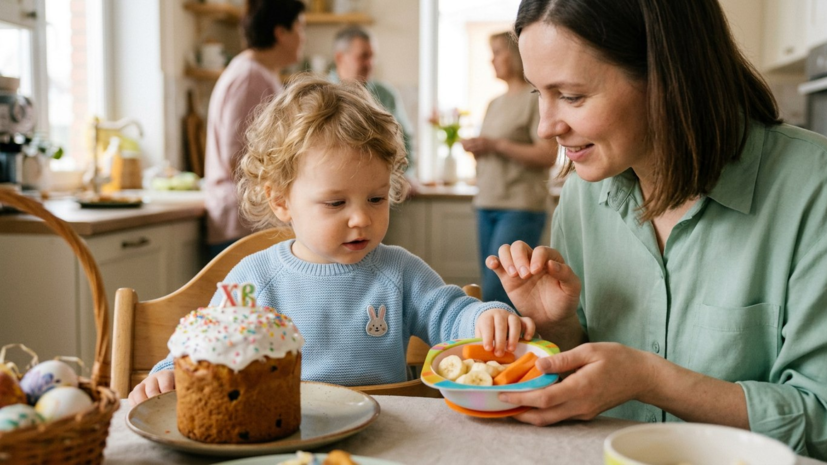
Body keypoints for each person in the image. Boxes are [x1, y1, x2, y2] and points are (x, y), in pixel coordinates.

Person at [486, 0, 827, 459]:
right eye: (537, 94)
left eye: (571, 96)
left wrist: (652, 380)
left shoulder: (813, 187)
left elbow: (819, 420)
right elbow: (589, 388)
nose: (547, 127)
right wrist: (557, 327)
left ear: (667, 77)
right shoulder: (584, 193)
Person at [129, 76, 535, 406]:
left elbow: (450, 316)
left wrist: (486, 319)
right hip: (291, 436)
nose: (361, 217)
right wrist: (168, 372)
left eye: (376, 198)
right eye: (336, 202)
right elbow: (206, 341)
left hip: (388, 435)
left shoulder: (398, 271)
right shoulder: (256, 280)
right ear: (280, 200)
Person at [460, 32, 557, 306]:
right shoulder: (495, 103)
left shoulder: (533, 98)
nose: (492, 60)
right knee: (492, 287)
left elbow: (547, 154)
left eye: (498, 52)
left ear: (516, 55)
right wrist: (480, 149)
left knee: (498, 292)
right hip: (486, 203)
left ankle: (509, 348)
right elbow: (493, 151)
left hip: (520, 206)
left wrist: (495, 145)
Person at [204, 0, 305, 259]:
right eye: (300, 28)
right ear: (280, 33)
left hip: (249, 221)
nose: (302, 38)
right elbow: (236, 157)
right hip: (242, 222)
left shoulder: (259, 72)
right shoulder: (250, 77)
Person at [329, 26, 416, 175]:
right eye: (363, 56)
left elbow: (406, 142)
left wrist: (406, 178)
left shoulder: (387, 95)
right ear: (340, 58)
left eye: (372, 56)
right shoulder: (320, 94)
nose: (370, 63)